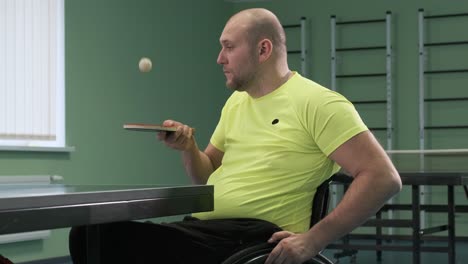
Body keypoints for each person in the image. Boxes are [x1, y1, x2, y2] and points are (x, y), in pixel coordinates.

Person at [69, 8, 402, 264]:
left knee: (105, 241)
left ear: (263, 49)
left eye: (228, 47)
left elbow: (383, 177)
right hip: (206, 229)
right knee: (88, 234)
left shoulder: (319, 103)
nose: (220, 58)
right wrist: (188, 148)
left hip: (253, 236)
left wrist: (314, 239)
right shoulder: (236, 103)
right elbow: (208, 175)